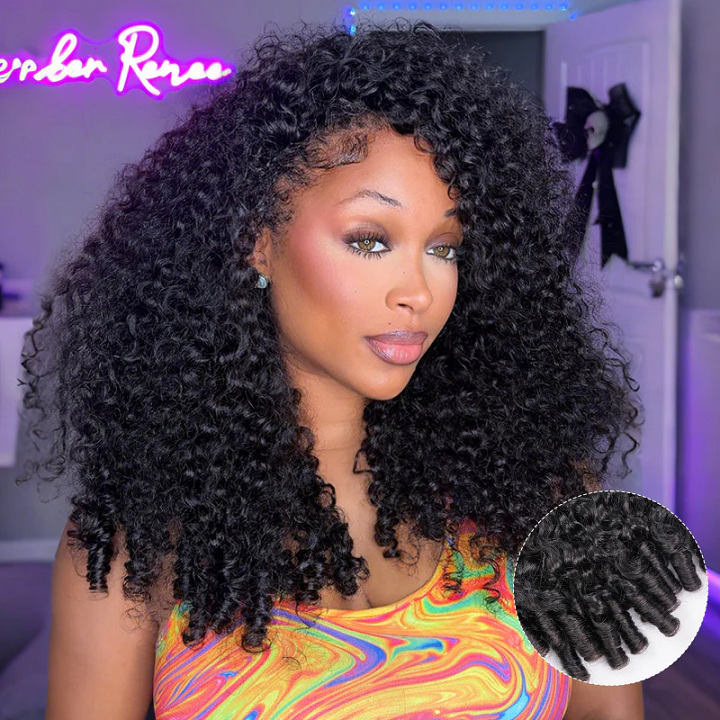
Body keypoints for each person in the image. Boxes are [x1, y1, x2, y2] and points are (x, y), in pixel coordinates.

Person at [22, 18, 644, 720]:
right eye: (370, 240)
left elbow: (608, 714)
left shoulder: (544, 489)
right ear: (257, 242)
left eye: (445, 249)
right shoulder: (130, 545)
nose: (420, 291)